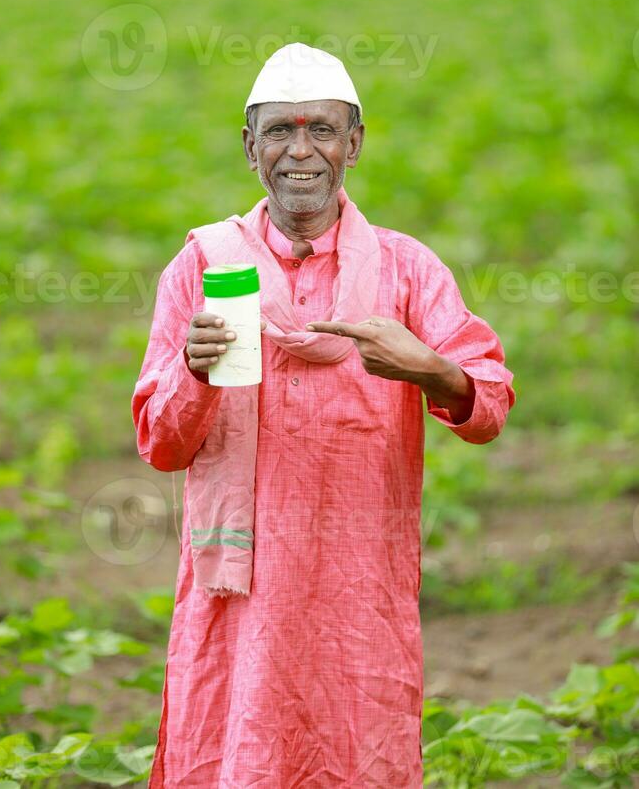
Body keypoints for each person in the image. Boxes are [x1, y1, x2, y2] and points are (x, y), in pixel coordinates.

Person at [132, 42, 515, 788]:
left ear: (355, 144)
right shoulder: (205, 267)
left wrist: (431, 369)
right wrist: (193, 371)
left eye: (322, 130)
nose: (299, 151)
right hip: (238, 596)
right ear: (249, 148)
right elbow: (159, 441)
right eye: (278, 131)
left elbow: (491, 398)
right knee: (235, 750)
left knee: (356, 751)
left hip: (357, 593)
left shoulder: (406, 271)